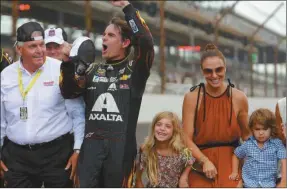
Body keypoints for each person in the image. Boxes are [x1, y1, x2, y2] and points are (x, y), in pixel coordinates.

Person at [59, 0, 154, 187]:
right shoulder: (92, 71)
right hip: (90, 153)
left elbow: (145, 42)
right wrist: (68, 64)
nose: (103, 39)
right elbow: (68, 92)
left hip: (121, 153)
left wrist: (128, 9)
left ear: (125, 42)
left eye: (110, 35)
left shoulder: (135, 72)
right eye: (103, 35)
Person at [0, 21, 85, 188]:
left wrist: (78, 150)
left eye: (41, 45)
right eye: (33, 46)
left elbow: (77, 113)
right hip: (17, 158)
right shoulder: (6, 75)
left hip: (57, 155)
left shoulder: (61, 69)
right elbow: (1, 120)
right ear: (19, 49)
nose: (40, 51)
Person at [182, 44, 251, 187]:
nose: (214, 75)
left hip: (232, 163)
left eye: (218, 70)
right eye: (208, 71)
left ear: (225, 68)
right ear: (202, 71)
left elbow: (247, 135)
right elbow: (186, 138)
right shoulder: (191, 98)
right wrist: (204, 160)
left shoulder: (239, 98)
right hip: (200, 163)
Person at [135, 111, 195, 188]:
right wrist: (138, 182)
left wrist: (184, 176)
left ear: (174, 131)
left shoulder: (180, 150)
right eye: (159, 124)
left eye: (168, 126)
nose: (162, 129)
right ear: (153, 127)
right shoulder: (146, 149)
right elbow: (138, 176)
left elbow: (190, 161)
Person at [229, 108, 286, 188]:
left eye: (265, 129)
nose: (261, 133)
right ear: (252, 129)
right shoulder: (247, 144)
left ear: (271, 128)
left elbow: (284, 161)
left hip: (269, 184)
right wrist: (234, 172)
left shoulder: (277, 144)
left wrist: (284, 181)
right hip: (249, 184)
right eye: (257, 129)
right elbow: (236, 155)